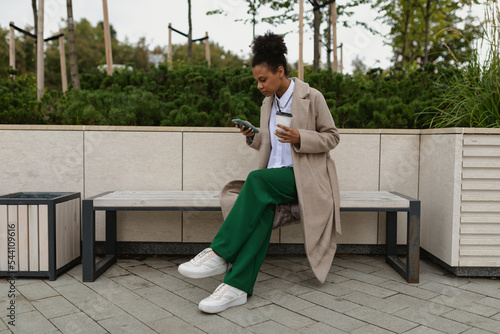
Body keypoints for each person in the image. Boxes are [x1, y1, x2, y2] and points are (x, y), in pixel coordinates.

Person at [178, 31, 341, 314]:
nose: (259, 85)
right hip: (274, 179)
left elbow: (332, 137)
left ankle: (219, 253)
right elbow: (272, 147)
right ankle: (236, 287)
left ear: (280, 71)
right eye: (256, 80)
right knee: (262, 210)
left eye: (263, 79)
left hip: (303, 179)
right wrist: (254, 136)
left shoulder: (311, 97)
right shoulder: (268, 104)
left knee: (255, 181)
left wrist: (301, 136)